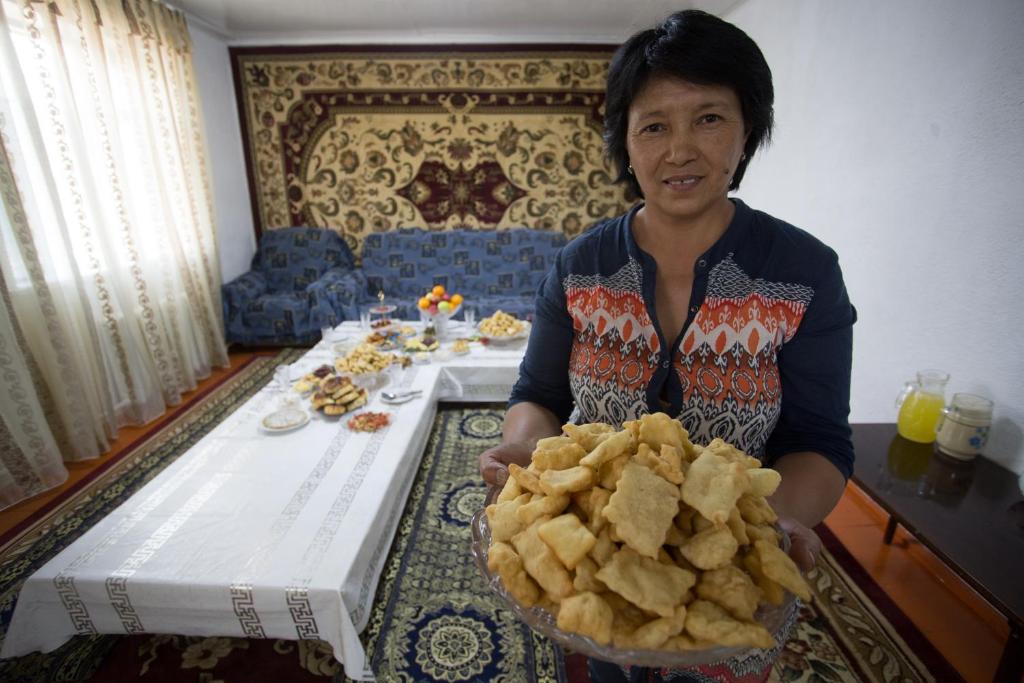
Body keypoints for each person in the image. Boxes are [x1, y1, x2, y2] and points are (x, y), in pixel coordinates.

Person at [478, 8, 857, 682]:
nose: (680, 149)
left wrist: (764, 528)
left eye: (708, 118)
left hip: (727, 578)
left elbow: (820, 439)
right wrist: (523, 449)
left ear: (747, 133)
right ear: (626, 144)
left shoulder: (803, 274)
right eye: (654, 125)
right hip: (600, 564)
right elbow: (537, 397)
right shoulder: (578, 267)